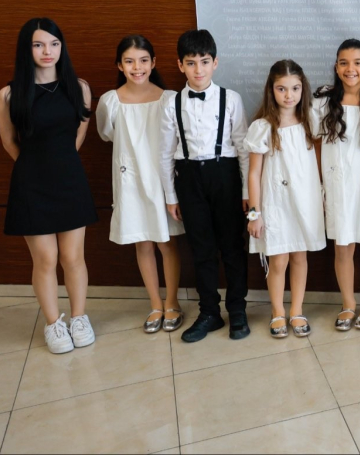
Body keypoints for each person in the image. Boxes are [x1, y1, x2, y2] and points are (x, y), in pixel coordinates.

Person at [0, 18, 97, 354]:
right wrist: (35, 166)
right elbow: (9, 142)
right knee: (45, 259)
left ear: (61, 47)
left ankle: (79, 318)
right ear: (27, 49)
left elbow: (79, 134)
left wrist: (60, 162)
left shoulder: (79, 87)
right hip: (31, 183)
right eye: (38, 44)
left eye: (54, 44)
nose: (47, 51)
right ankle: (54, 324)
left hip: (70, 180)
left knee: (73, 256)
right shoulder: (10, 94)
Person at [159, 29, 251, 343]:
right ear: (180, 65)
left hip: (224, 175)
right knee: (201, 249)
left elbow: (243, 148)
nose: (198, 69)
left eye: (204, 61)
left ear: (215, 63)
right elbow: (164, 153)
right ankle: (209, 312)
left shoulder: (231, 99)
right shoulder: (171, 103)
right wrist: (171, 195)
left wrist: (246, 192)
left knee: (232, 247)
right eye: (191, 63)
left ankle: (237, 310)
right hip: (188, 178)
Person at [96, 35, 185, 334]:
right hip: (130, 179)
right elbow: (106, 133)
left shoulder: (169, 99)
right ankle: (155, 304)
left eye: (144, 60)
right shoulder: (110, 101)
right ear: (119, 65)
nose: (137, 67)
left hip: (162, 180)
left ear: (153, 63)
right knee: (142, 243)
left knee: (167, 242)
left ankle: (172, 302)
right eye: (130, 61)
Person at [314, 40, 360, 332]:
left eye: (358, 62)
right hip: (336, 185)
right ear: (336, 67)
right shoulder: (323, 103)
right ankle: (348, 303)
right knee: (343, 246)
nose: (351, 69)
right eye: (344, 63)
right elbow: (316, 145)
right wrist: (319, 185)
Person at [246, 60, 325, 338]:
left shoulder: (311, 120)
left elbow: (318, 160)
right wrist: (254, 213)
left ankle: (297, 310)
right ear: (271, 90)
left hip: (304, 201)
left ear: (303, 89)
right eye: (281, 89)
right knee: (278, 260)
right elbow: (254, 173)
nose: (289, 95)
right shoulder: (262, 126)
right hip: (276, 204)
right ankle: (278, 311)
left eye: (295, 88)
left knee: (300, 256)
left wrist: (321, 194)